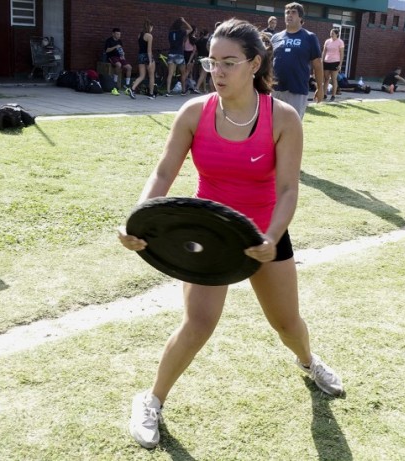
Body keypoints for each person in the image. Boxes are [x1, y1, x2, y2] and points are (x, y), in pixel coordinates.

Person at [119, 18, 343, 449]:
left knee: (286, 322)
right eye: (211, 62)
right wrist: (138, 218)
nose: (216, 72)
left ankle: (308, 361)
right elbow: (165, 170)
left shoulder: (282, 118)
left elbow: (289, 188)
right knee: (198, 323)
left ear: (255, 64)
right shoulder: (194, 112)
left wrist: (272, 237)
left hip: (264, 233)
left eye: (228, 62)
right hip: (209, 232)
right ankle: (150, 400)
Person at [270, 2, 323, 119]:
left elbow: (317, 64)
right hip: (275, 90)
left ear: (301, 17)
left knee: (292, 128)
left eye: (293, 13)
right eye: (287, 13)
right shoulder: (276, 37)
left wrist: (320, 88)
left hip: (297, 90)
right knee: (271, 126)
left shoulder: (309, 37)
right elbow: (269, 62)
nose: (289, 15)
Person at [127, 19, 155, 99]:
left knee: (142, 75)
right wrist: (150, 61)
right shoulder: (149, 36)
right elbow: (149, 50)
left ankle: (132, 88)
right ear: (150, 27)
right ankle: (151, 94)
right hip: (147, 56)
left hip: (140, 56)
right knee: (151, 76)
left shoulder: (139, 35)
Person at [165, 17, 192, 96]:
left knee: (170, 74)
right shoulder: (182, 32)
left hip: (171, 54)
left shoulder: (170, 33)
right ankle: (183, 91)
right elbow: (190, 29)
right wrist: (184, 21)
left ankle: (168, 91)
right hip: (179, 54)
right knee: (183, 73)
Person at [104, 28, 132, 94]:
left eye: (119, 34)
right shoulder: (109, 40)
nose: (119, 35)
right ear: (113, 34)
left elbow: (121, 50)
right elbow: (106, 50)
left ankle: (127, 86)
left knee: (129, 67)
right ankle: (115, 84)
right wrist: (115, 47)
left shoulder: (120, 41)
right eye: (117, 34)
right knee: (119, 65)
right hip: (112, 57)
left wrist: (123, 55)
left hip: (120, 57)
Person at [321, 29, 344, 102]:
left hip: (335, 62)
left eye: (333, 33)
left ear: (337, 34)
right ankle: (324, 94)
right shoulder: (327, 41)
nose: (331, 34)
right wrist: (322, 60)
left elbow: (342, 54)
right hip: (327, 61)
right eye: (331, 33)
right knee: (326, 78)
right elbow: (324, 51)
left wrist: (340, 64)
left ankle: (333, 95)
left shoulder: (340, 42)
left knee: (334, 79)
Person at [194, 28, 210, 93]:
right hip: (205, 58)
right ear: (207, 34)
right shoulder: (208, 41)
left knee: (202, 74)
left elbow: (197, 50)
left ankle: (204, 89)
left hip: (199, 58)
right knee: (203, 74)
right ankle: (197, 87)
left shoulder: (198, 41)